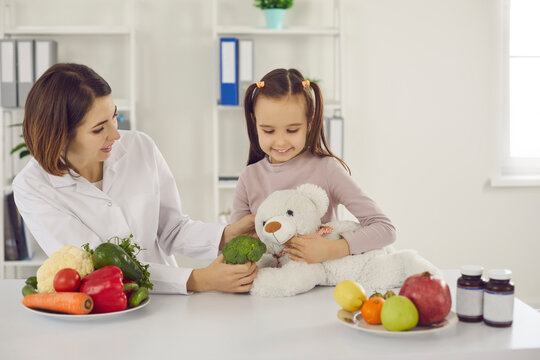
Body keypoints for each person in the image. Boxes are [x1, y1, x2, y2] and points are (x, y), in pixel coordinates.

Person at [13, 63, 258, 294]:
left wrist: (225, 235)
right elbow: (97, 267)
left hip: (170, 304)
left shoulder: (140, 146)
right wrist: (196, 280)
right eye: (99, 128)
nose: (116, 134)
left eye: (114, 117)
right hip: (106, 307)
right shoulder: (33, 187)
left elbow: (172, 229)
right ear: (60, 135)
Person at [231, 68, 396, 263]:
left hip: (322, 287)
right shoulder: (249, 178)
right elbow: (233, 244)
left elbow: (385, 229)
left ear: (309, 123)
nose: (281, 142)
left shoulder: (327, 169)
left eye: (292, 130)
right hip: (270, 289)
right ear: (254, 122)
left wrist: (333, 249)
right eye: (268, 131)